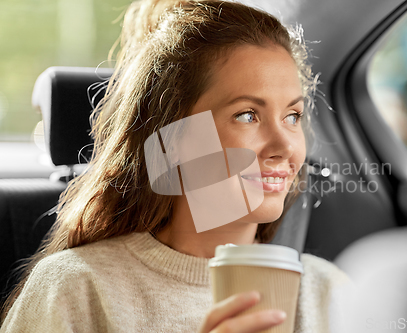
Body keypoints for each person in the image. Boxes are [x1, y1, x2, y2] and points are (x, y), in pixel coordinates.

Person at [0, 1, 349, 332]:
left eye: (292, 116)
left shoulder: (328, 292)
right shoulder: (76, 290)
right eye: (247, 115)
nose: (285, 145)